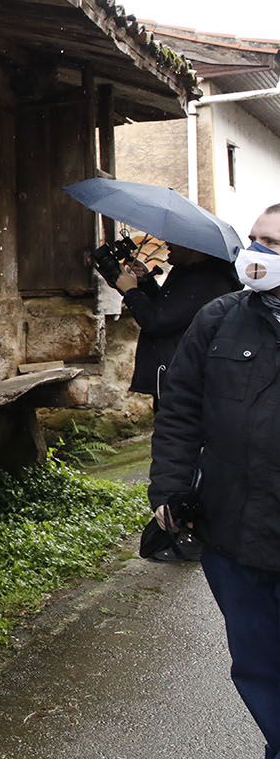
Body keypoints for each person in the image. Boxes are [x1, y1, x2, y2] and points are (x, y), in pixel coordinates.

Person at [149, 202, 280, 759]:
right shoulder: (220, 318)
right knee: (257, 665)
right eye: (253, 240)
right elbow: (179, 409)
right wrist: (170, 490)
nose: (256, 254)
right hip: (234, 531)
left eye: (272, 244)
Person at [115, 241, 240, 408]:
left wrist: (131, 292)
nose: (167, 243)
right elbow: (169, 306)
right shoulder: (188, 270)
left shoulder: (208, 279)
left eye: (174, 240)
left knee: (172, 430)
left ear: (192, 245)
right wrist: (145, 281)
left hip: (183, 379)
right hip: (174, 375)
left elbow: (157, 322)